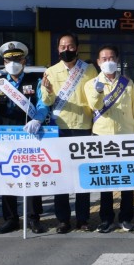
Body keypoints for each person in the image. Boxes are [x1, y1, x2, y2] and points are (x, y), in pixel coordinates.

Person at [0, 41, 48, 234]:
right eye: (9, 60)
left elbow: (43, 104)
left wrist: (38, 119)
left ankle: (33, 218)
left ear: (24, 60)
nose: (13, 63)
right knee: (8, 175)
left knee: (32, 174)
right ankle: (11, 218)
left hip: (30, 133)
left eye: (17, 59)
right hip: (5, 134)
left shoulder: (34, 81)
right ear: (4, 62)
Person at [40, 32, 97, 233]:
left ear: (77, 48)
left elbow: (94, 98)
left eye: (70, 46)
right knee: (61, 176)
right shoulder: (50, 71)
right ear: (58, 49)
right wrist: (46, 91)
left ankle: (83, 219)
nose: (66, 49)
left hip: (83, 127)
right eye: (63, 46)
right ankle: (62, 220)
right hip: (60, 129)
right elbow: (46, 102)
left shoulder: (89, 70)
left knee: (82, 175)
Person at [85, 44, 134, 233]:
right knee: (106, 181)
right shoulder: (91, 84)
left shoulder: (128, 83)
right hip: (102, 137)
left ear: (117, 60)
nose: (108, 62)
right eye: (104, 59)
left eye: (111, 58)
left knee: (127, 180)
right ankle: (106, 219)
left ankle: (126, 218)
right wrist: (98, 91)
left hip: (126, 138)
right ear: (98, 62)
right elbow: (94, 105)